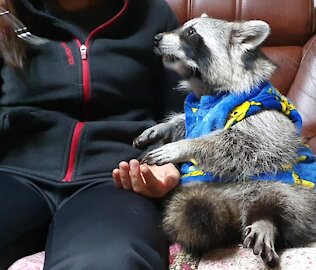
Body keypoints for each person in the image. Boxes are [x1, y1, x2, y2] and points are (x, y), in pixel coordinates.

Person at [0, 0, 184, 269]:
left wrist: (173, 167)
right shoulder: (8, 13)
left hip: (116, 182)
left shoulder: (154, 14)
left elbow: (184, 114)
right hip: (13, 173)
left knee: (111, 260)